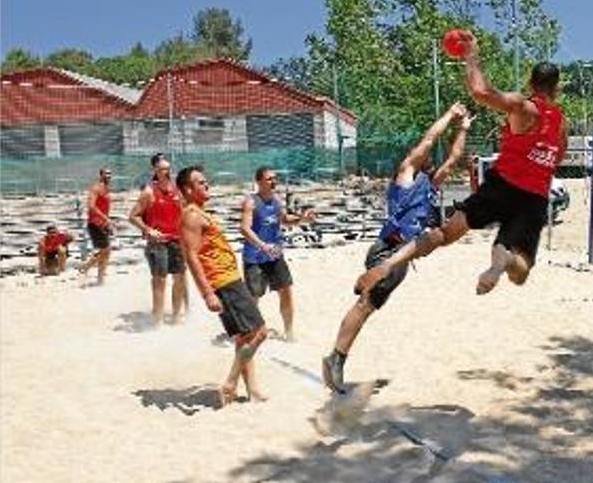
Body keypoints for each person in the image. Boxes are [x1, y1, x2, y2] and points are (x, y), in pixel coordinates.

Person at [354, 31, 567, 297]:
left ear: (530, 82)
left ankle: (389, 263)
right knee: (520, 272)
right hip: (533, 196)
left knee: (444, 234)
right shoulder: (560, 121)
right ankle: (501, 262)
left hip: (501, 185)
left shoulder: (521, 106)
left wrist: (472, 56)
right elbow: (557, 158)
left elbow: (480, 91)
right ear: (557, 88)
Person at [322, 103, 474, 393]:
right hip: (389, 249)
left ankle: (339, 351)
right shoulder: (405, 176)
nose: (428, 158)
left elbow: (454, 157)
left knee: (369, 305)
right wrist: (450, 116)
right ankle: (335, 359)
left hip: (403, 256)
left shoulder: (429, 185)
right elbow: (429, 140)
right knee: (365, 305)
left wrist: (464, 128)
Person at [177, 166, 269, 405]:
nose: (207, 185)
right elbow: (191, 256)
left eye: (206, 181)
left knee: (243, 337)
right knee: (260, 333)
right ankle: (230, 381)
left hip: (228, 278)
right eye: (200, 182)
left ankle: (253, 391)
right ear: (188, 189)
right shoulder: (191, 216)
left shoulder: (199, 212)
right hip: (223, 282)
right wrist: (208, 293)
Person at [239, 166, 316, 341]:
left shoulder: (276, 201)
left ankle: (289, 332)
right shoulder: (251, 202)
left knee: (286, 290)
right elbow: (244, 228)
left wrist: (303, 219)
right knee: (255, 296)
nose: (274, 182)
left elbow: (284, 220)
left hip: (274, 255)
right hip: (255, 258)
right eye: (269, 179)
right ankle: (250, 332)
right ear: (259, 182)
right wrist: (262, 245)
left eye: (275, 178)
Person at [129, 153, 188, 326]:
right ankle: (158, 320)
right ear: (155, 170)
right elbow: (133, 216)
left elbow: (185, 212)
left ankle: (176, 317)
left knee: (180, 277)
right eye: (163, 169)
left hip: (177, 240)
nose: (167, 172)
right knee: (159, 279)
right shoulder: (148, 191)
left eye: (168, 169)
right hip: (157, 242)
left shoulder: (177, 190)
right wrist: (148, 229)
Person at [79, 167, 113, 285]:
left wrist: (107, 223)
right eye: (106, 174)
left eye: (110, 174)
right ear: (101, 175)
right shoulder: (96, 188)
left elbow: (104, 208)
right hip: (95, 224)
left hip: (103, 224)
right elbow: (91, 206)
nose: (108, 176)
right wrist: (105, 218)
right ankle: (87, 266)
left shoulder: (106, 189)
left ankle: (100, 278)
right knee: (106, 250)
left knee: (106, 252)